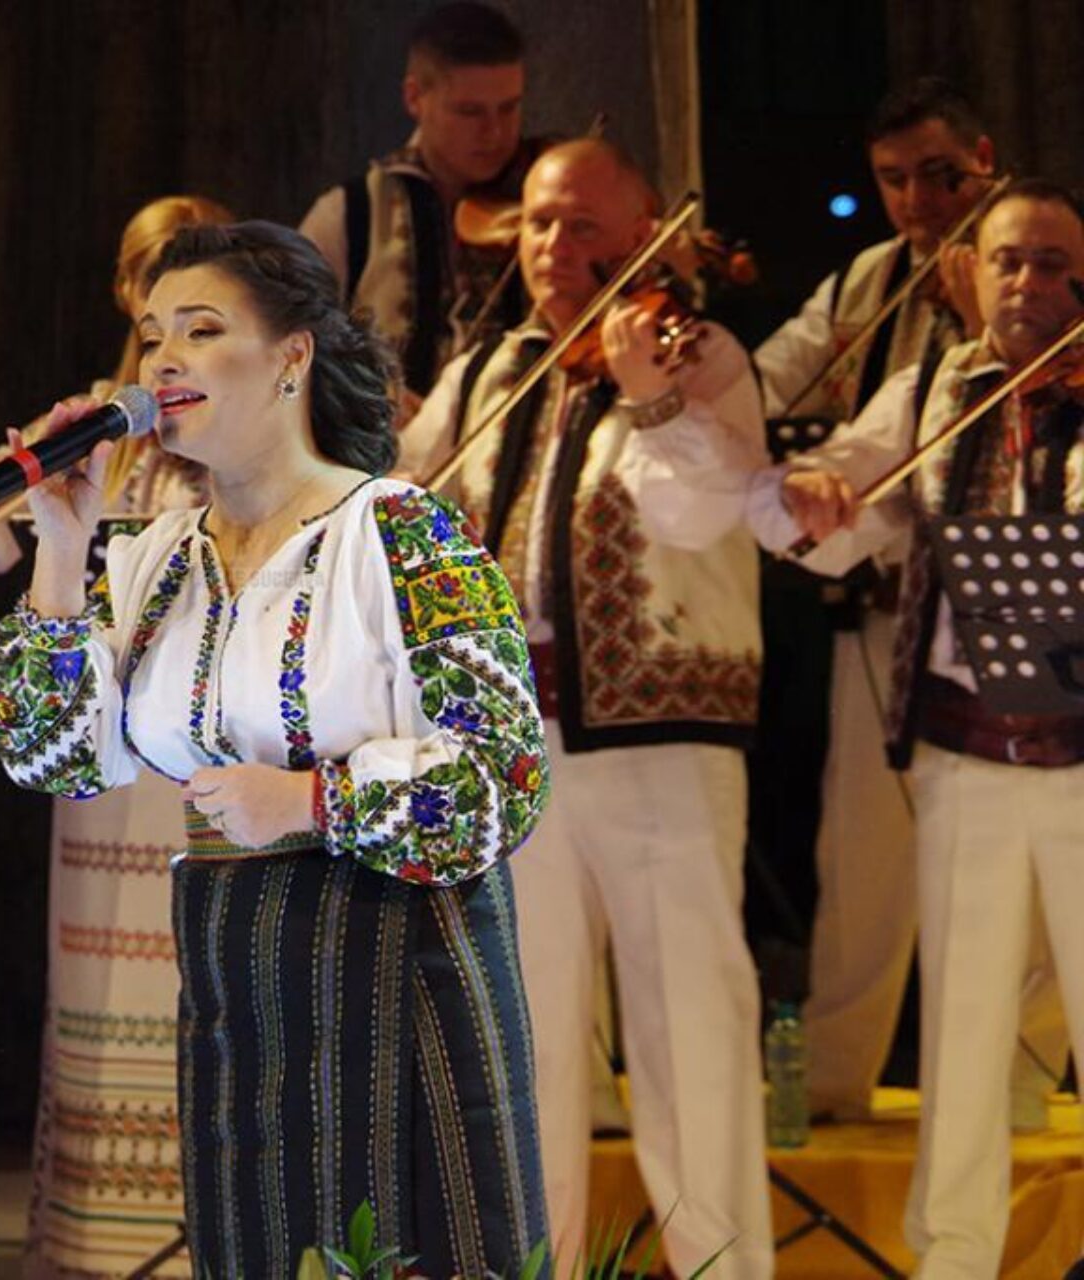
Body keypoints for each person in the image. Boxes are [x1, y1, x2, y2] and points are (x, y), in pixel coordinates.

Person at [0, 219, 549, 1278]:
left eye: (202, 330)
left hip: (392, 952)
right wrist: (61, 550)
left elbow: (503, 779)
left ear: (292, 355)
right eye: (153, 335)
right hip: (233, 965)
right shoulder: (149, 558)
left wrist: (311, 801)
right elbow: (51, 758)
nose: (164, 361)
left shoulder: (401, 532)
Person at [403, 138, 774, 1277]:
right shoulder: (491, 368)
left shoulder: (699, 353)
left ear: (644, 237)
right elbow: (407, 500)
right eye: (539, 222)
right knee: (525, 1045)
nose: (554, 245)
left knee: (691, 1041)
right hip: (517, 749)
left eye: (583, 226)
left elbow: (709, 509)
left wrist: (649, 396)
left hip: (661, 747)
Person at [751, 179, 1084, 1280]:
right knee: (965, 1021)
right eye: (1008, 261)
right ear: (970, 272)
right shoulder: (934, 387)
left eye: (1052, 263)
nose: (1028, 283)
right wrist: (813, 494)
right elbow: (836, 502)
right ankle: (955, 1257)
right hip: (962, 745)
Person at [0, 194, 225, 1279]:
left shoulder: (243, 426)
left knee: (204, 1005)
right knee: (102, 1007)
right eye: (154, 285)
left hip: (214, 764)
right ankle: (98, 1253)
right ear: (128, 296)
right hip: (105, 770)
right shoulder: (95, 423)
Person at [299, 1, 539, 398]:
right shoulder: (349, 214)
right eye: (470, 112)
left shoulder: (546, 199)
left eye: (509, 108)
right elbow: (281, 345)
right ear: (415, 97)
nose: (495, 133)